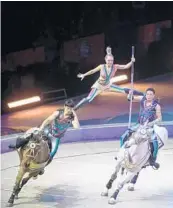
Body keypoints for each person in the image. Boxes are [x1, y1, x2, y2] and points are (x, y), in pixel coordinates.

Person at [9, 99, 80, 164]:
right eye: (68, 108)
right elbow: (47, 120)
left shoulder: (72, 117)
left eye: (71, 109)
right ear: (64, 106)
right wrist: (41, 128)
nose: (69, 110)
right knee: (32, 135)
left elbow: (76, 127)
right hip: (48, 131)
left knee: (52, 154)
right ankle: (17, 145)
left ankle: (41, 168)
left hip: (56, 138)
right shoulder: (58, 113)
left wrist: (74, 114)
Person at [74, 46, 144, 110]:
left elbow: (125, 66)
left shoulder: (115, 66)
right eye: (109, 60)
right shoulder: (102, 66)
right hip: (99, 85)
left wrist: (131, 62)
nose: (110, 62)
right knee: (88, 99)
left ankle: (143, 94)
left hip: (107, 85)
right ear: (105, 60)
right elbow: (92, 71)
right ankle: (74, 109)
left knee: (124, 90)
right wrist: (84, 75)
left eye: (111, 60)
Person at [120, 88, 162, 168]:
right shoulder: (142, 99)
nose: (149, 96)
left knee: (155, 144)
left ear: (153, 96)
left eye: (151, 94)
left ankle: (152, 161)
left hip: (149, 127)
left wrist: (150, 124)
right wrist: (130, 93)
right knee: (123, 137)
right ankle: (122, 154)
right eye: (147, 94)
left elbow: (159, 119)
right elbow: (130, 99)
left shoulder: (157, 106)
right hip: (139, 124)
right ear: (145, 94)